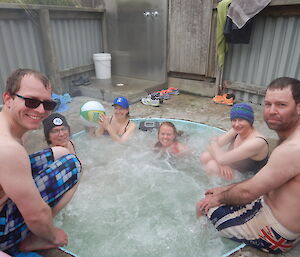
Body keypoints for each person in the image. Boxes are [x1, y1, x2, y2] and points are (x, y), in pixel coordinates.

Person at [196, 77, 300, 254]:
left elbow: (247, 192)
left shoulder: (292, 149)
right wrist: (225, 189)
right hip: (270, 206)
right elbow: (263, 183)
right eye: (268, 104)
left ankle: (200, 245)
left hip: (276, 233)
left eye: (281, 105)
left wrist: (218, 198)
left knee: (203, 206)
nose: (272, 111)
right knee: (217, 189)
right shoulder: (290, 140)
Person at [0, 69, 81, 253]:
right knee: (74, 164)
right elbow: (36, 214)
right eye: (31, 101)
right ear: (8, 98)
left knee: (60, 153)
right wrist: (51, 235)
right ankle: (34, 237)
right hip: (2, 230)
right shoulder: (8, 148)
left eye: (48, 103)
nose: (40, 110)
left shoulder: (9, 128)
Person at [200, 103, 269, 180]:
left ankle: (214, 189)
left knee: (212, 165)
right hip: (232, 166)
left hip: (247, 178)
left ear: (250, 121)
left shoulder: (257, 142)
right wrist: (223, 163)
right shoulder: (237, 130)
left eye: (241, 120)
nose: (236, 124)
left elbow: (220, 156)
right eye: (234, 120)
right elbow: (209, 147)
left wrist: (213, 142)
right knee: (205, 156)